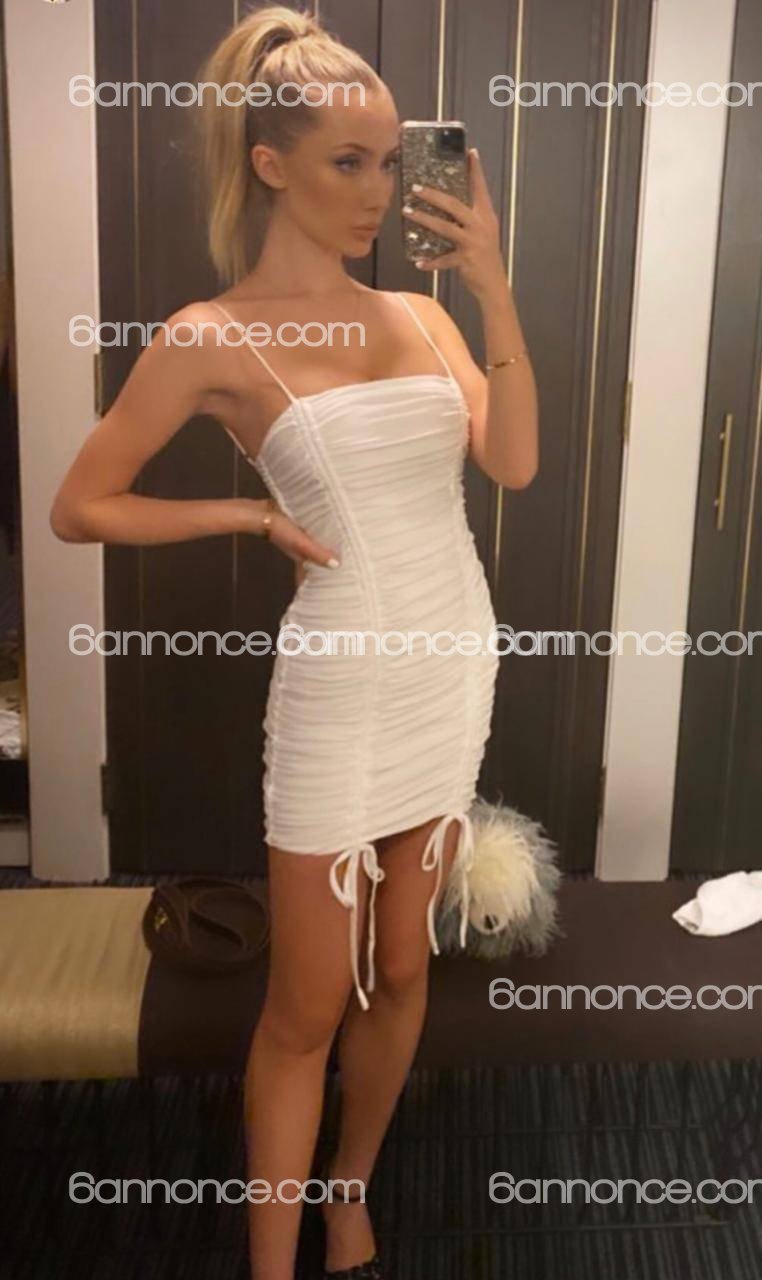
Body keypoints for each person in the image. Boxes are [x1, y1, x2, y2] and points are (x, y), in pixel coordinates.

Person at [50, 6, 538, 1276]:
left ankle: (347, 1188)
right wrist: (247, 513)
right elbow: (80, 504)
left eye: (389, 160)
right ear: (270, 164)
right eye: (347, 162)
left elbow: (514, 462)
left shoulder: (425, 318)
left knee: (402, 966)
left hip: (449, 658)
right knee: (306, 1000)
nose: (378, 190)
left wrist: (490, 285)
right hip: (338, 683)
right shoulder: (208, 335)